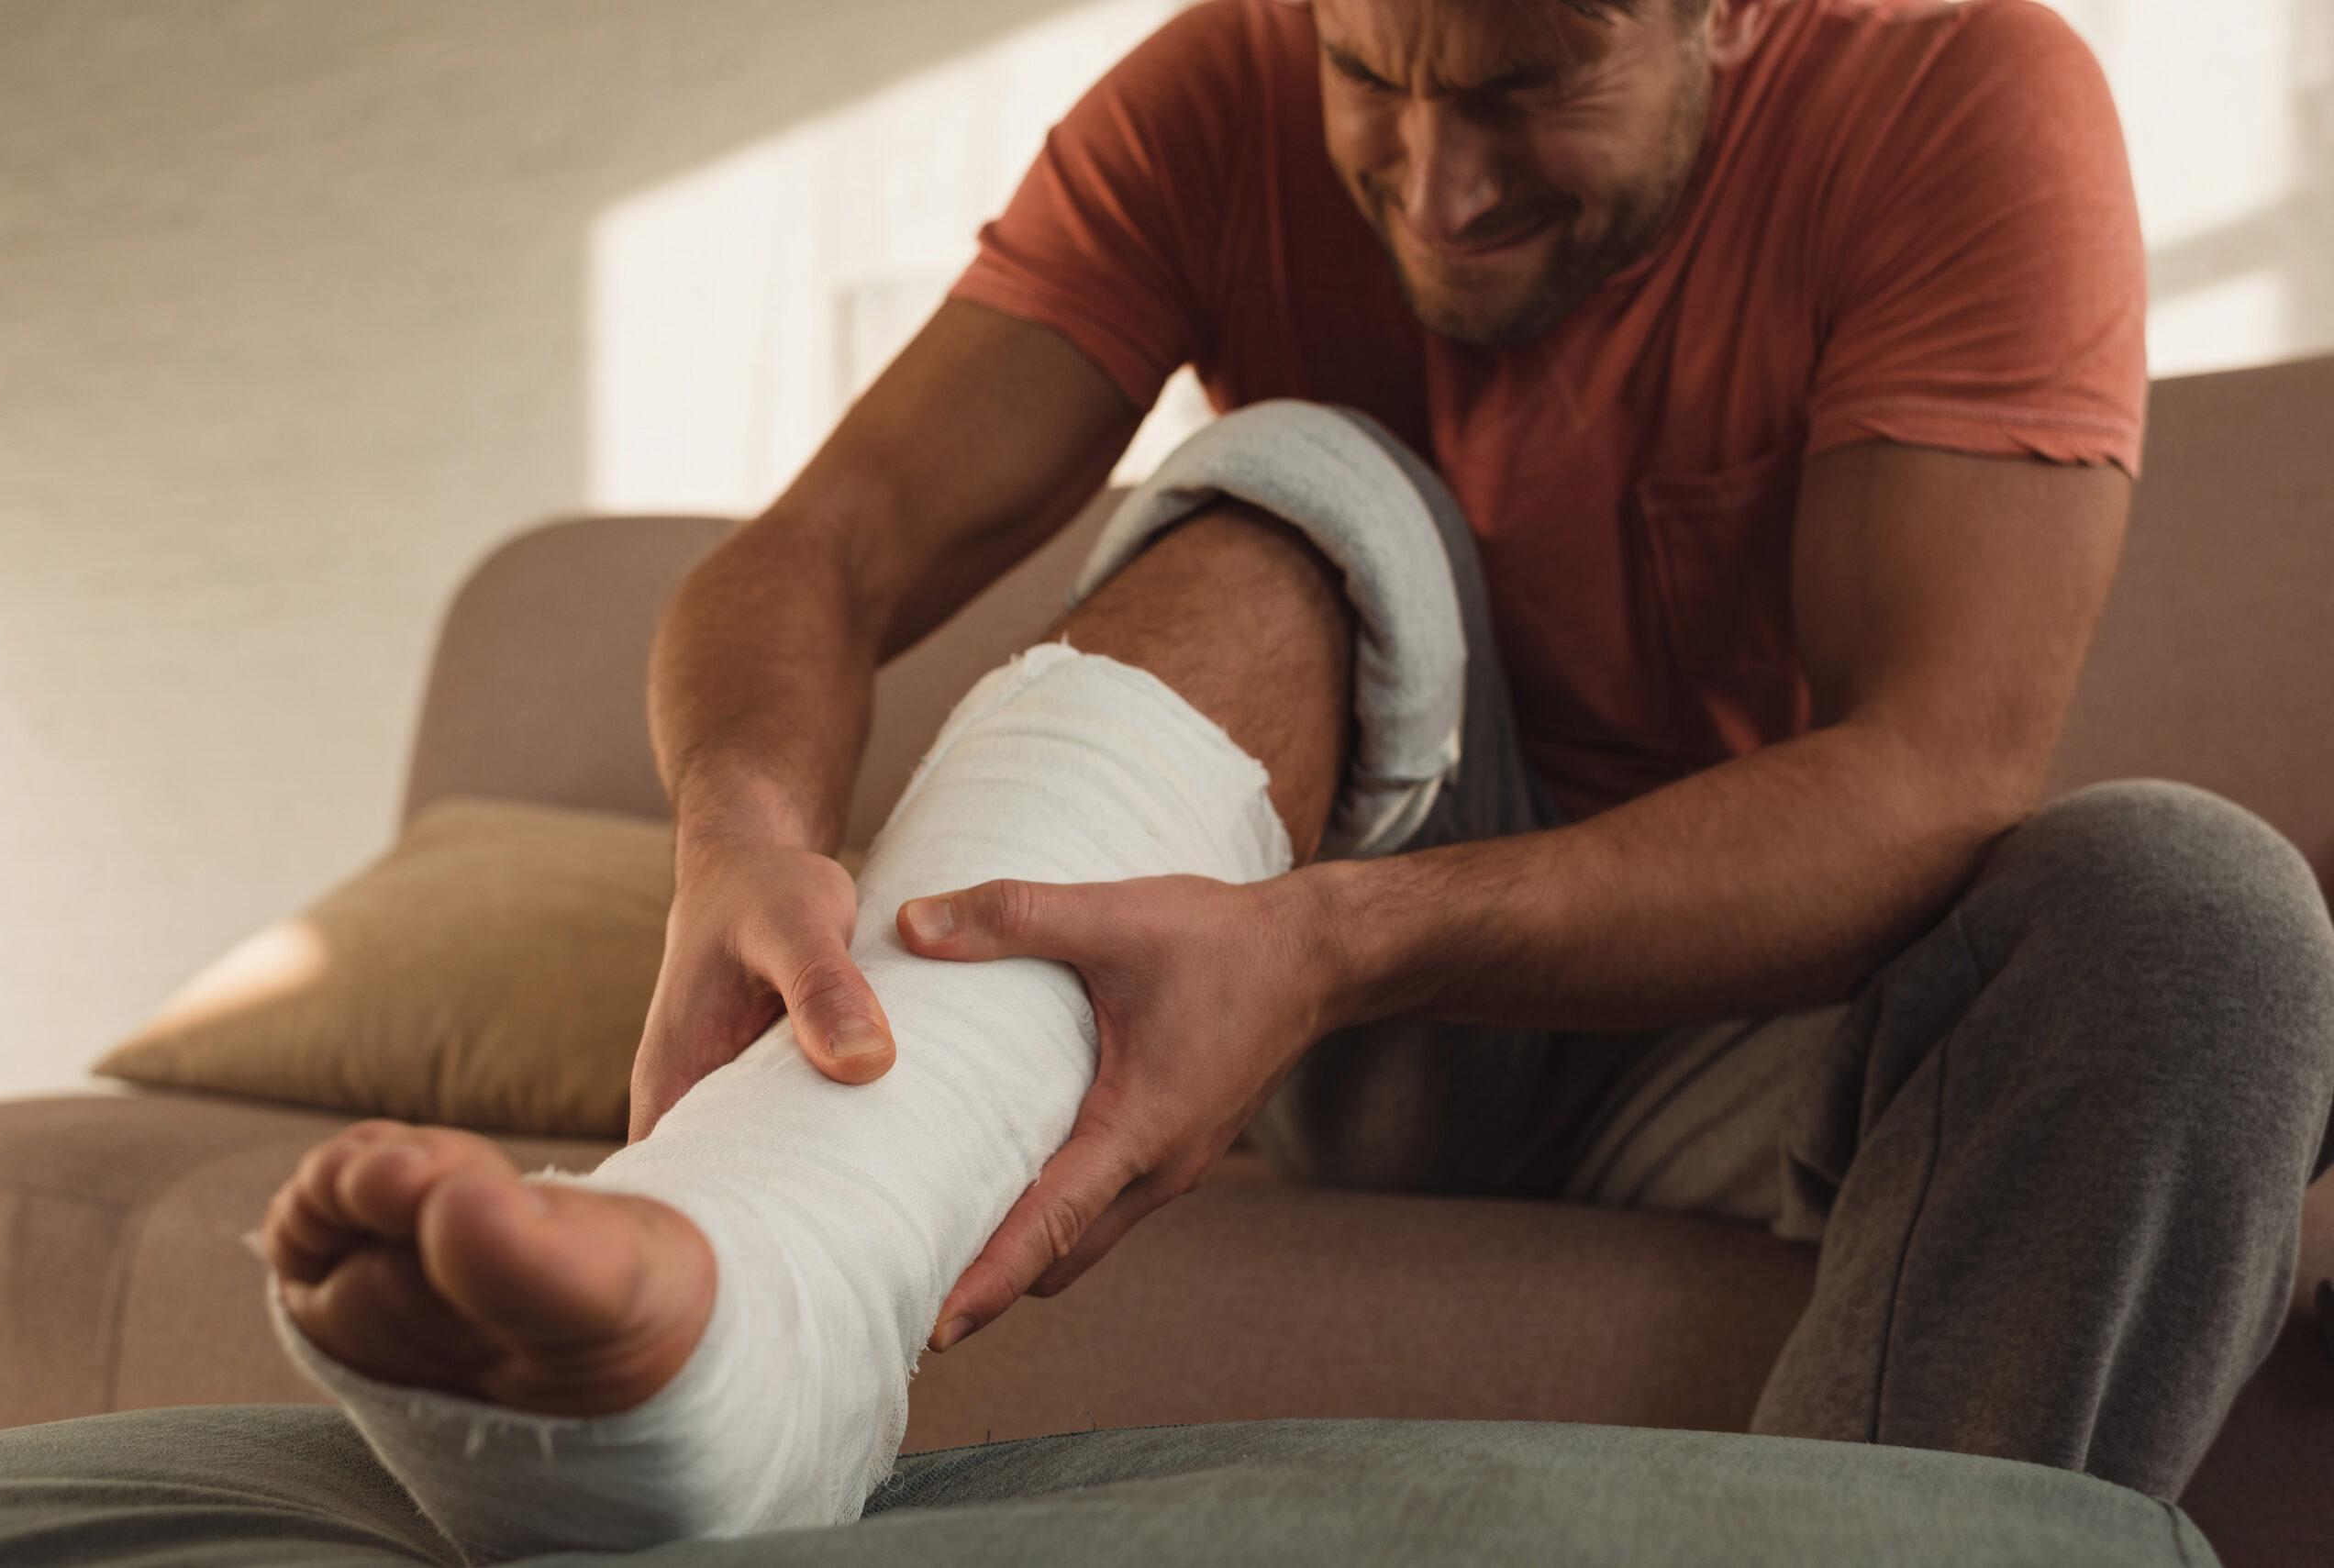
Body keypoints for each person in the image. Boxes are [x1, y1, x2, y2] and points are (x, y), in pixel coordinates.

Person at [260, 0, 2334, 1551]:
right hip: (1358, 1030)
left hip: (1744, 1027)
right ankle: (754, 1292)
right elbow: (820, 552)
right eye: (1373, 74)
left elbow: (1927, 778)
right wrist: (736, 830)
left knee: (2197, 914)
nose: (1435, 181)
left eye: (1528, 83)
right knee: (1297, 476)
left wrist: (1323, 940)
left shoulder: (1956, 95)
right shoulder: (1211, 92)